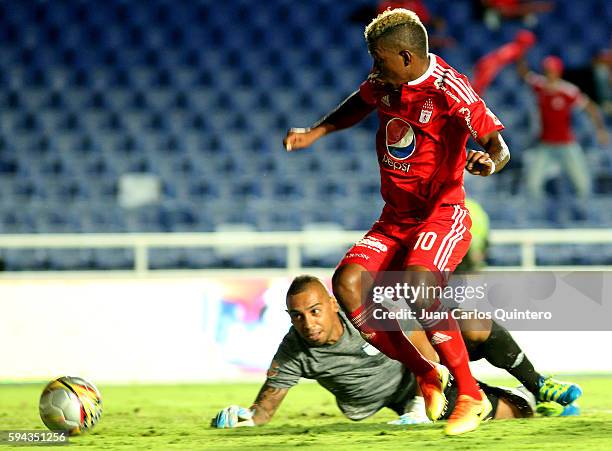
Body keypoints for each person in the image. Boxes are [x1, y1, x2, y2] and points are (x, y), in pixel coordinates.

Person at [283, 8, 510, 435]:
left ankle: (470, 396)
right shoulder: (384, 84)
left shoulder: (450, 90)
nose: (373, 70)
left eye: (380, 60)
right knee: (347, 284)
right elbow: (357, 103)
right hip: (396, 218)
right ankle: (427, 373)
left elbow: (499, 147)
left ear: (406, 56)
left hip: (442, 214)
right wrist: (318, 131)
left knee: (419, 285)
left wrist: (488, 163)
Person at [211, 276, 581, 428]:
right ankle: (528, 399)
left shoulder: (363, 314)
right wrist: (242, 416)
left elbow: (418, 335)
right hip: (404, 398)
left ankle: (539, 382)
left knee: (471, 322)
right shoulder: (294, 350)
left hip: (426, 375)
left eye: (314, 310)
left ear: (332, 304)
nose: (307, 322)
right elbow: (265, 409)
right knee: (515, 413)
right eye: (297, 316)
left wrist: (424, 395)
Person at [518, 55, 609, 202]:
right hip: (545, 144)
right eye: (547, 71)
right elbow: (524, 73)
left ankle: (583, 213)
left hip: (566, 143)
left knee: (583, 184)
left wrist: (600, 130)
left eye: (552, 71)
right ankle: (538, 214)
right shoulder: (539, 85)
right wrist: (520, 53)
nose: (549, 74)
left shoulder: (568, 91)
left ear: (558, 72)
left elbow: (590, 108)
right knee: (533, 184)